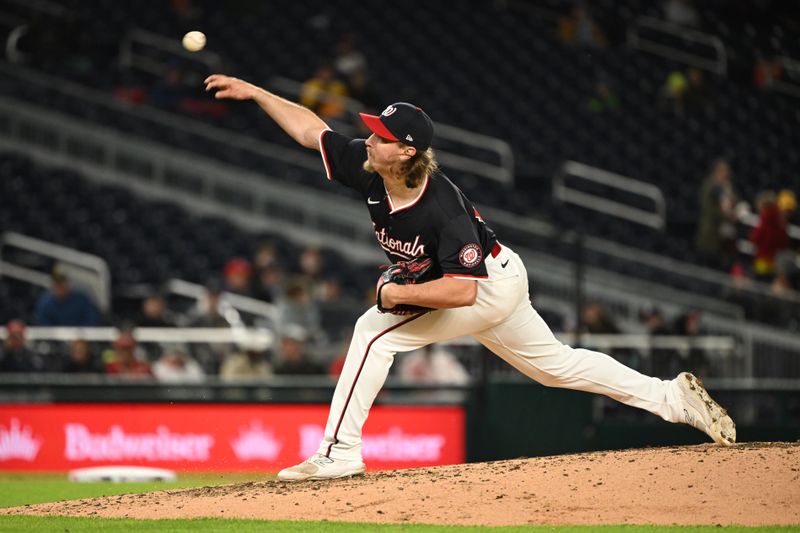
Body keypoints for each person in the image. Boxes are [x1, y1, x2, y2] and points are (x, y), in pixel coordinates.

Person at [204, 73, 736, 481]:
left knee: (372, 330)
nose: (369, 140)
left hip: (485, 286)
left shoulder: (441, 207)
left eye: (381, 137)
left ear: (407, 151)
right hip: (492, 279)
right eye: (373, 132)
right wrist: (255, 92)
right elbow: (308, 129)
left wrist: (395, 292)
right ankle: (671, 398)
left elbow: (462, 290)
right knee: (556, 367)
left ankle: (339, 452)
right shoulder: (368, 167)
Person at [35, 268, 99, 326]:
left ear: (68, 284)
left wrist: (80, 336)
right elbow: (44, 326)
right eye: (57, 284)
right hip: (54, 337)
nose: (59, 288)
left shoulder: (81, 300)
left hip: (81, 336)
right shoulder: (45, 303)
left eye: (62, 284)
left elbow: (90, 320)